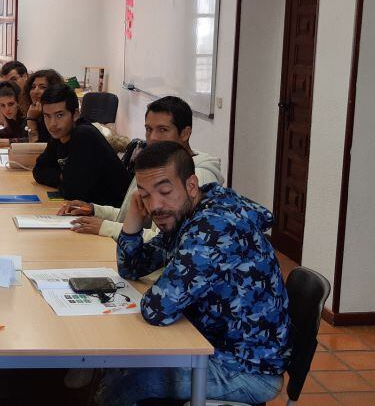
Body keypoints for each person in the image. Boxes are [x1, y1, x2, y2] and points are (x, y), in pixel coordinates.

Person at [98, 141, 290, 406]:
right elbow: (132, 267)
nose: (155, 206)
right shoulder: (191, 211)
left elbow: (158, 309)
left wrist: (164, 287)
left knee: (126, 387)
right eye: (144, 195)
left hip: (245, 369)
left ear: (190, 185)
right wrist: (133, 218)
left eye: (164, 191)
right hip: (212, 347)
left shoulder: (214, 227)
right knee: (121, 369)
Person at [60, 96, 224, 240]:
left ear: (185, 133)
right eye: (148, 129)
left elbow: (167, 241)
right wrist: (95, 210)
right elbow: (132, 217)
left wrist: (105, 227)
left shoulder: (199, 176)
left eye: (163, 130)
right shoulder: (155, 164)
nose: (152, 138)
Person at [32, 83, 131, 206]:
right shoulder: (59, 133)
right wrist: (63, 177)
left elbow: (72, 192)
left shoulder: (83, 135)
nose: (52, 124)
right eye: (47, 116)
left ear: (76, 114)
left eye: (60, 115)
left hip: (112, 215)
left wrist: (65, 180)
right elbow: (38, 171)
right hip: (90, 210)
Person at [23, 69, 65, 143]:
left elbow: (35, 148)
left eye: (42, 87)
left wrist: (31, 120)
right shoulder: (34, 110)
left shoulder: (56, 116)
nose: (35, 91)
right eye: (33, 87)